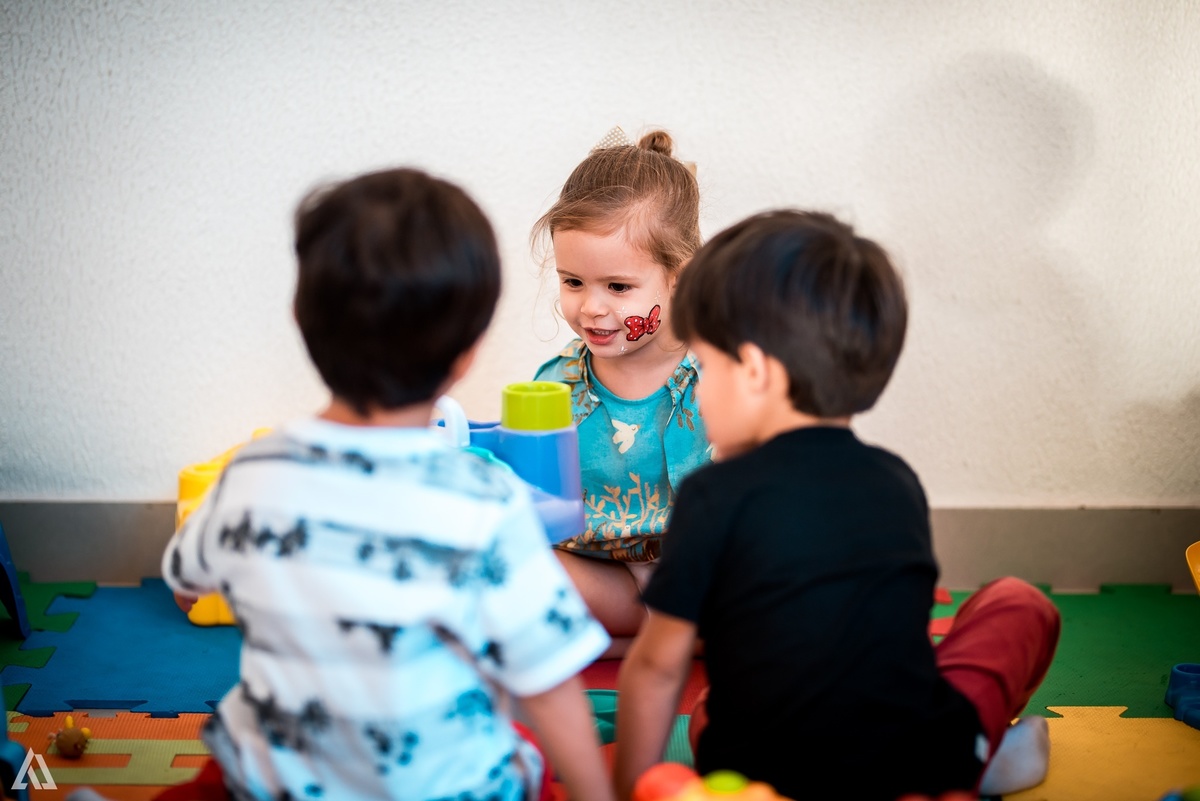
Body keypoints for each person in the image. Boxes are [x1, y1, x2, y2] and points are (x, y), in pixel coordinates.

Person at [162, 168, 614, 801]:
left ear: (300, 320)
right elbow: (548, 683)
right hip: (446, 790)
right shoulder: (486, 499)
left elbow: (188, 589)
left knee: (219, 764)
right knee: (523, 747)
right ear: (469, 352)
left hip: (275, 785)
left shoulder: (254, 472)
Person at [613, 210, 1061, 801]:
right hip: (917, 765)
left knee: (704, 711)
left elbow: (656, 669)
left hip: (761, 775)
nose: (696, 393)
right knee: (1018, 602)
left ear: (753, 373)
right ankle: (980, 756)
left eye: (704, 369)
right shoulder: (897, 483)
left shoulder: (712, 496)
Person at [532, 127, 711, 654]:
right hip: (601, 583)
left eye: (617, 287)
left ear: (678, 277)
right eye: (572, 282)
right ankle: (647, 642)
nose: (591, 307)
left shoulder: (720, 377)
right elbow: (535, 512)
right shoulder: (554, 387)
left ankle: (646, 640)